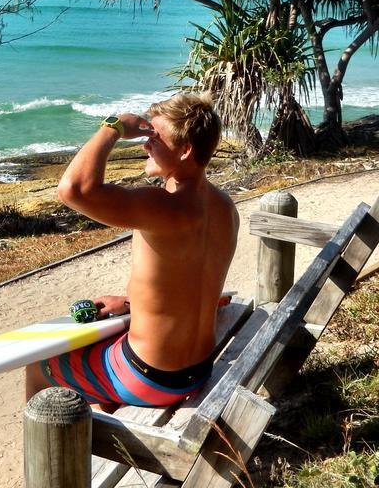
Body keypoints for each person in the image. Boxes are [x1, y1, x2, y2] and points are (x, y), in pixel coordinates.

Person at [25, 93, 238, 412]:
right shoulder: (225, 208)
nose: (144, 145)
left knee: (40, 368)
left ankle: (47, 462)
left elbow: (74, 189)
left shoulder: (164, 206)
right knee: (103, 350)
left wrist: (113, 127)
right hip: (197, 370)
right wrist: (130, 304)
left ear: (185, 150)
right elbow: (186, 286)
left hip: (152, 378)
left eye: (155, 137)